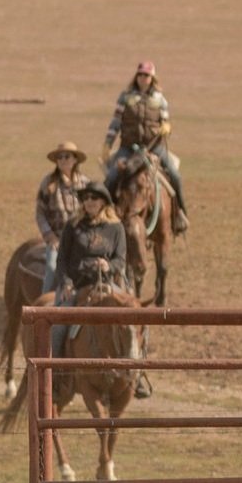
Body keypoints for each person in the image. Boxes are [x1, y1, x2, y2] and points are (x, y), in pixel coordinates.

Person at [50, 179, 132, 357]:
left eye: (94, 198)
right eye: (86, 198)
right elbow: (62, 259)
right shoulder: (73, 226)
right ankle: (54, 374)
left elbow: (120, 261)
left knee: (133, 320)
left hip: (106, 286)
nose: (89, 201)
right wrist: (65, 282)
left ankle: (136, 374)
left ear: (103, 201)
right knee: (57, 327)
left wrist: (108, 266)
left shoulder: (116, 228)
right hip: (76, 287)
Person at [105, 59, 187, 233]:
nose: (143, 78)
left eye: (147, 75)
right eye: (141, 75)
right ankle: (105, 217)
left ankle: (180, 214)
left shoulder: (160, 99)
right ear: (136, 76)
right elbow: (115, 122)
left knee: (175, 175)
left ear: (152, 77)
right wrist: (107, 144)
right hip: (128, 147)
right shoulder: (125, 97)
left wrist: (167, 127)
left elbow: (165, 121)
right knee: (111, 178)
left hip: (154, 147)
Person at [33, 142, 86, 292]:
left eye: (67, 156)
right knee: (51, 267)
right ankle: (45, 304)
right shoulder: (48, 183)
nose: (62, 160)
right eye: (59, 157)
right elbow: (40, 213)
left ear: (75, 160)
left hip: (81, 239)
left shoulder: (85, 183)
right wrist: (50, 236)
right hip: (57, 239)